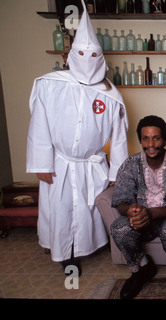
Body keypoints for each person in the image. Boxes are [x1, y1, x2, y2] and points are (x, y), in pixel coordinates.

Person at [26, 1, 128, 275]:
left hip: (91, 163)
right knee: (60, 207)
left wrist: (117, 172)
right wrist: (41, 163)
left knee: (89, 210)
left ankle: (89, 246)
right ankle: (64, 253)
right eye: (81, 53)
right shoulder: (51, 85)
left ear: (101, 57)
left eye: (92, 54)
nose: (86, 59)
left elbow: (119, 137)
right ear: (71, 54)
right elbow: (39, 125)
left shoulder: (110, 94)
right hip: (59, 163)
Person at [110, 115, 166, 300]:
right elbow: (121, 200)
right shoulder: (129, 164)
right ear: (140, 140)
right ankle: (142, 269)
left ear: (164, 139)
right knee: (119, 228)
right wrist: (131, 210)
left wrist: (150, 213)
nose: (151, 144)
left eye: (156, 138)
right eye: (145, 138)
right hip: (141, 220)